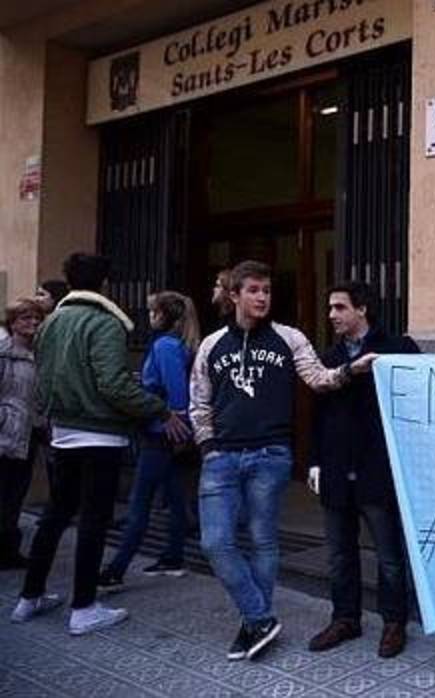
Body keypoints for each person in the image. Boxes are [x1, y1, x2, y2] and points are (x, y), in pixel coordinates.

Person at [189, 260, 378, 661]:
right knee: (215, 542)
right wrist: (208, 447)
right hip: (221, 456)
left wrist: (350, 370)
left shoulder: (288, 338)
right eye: (254, 290)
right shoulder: (211, 344)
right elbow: (199, 401)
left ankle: (254, 624)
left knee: (263, 540)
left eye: (267, 291)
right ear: (235, 294)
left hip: (269, 455)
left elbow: (317, 378)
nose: (262, 297)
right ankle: (259, 616)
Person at [11, 253, 190, 635]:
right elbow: (113, 384)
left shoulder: (51, 322)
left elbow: (43, 379)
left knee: (55, 515)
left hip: (62, 433)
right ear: (105, 283)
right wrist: (160, 410)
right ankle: (84, 606)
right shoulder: (104, 323)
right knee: (94, 519)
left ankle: (30, 596)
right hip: (99, 434)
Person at [306, 282, 419, 659]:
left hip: (377, 470)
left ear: (363, 309)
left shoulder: (398, 349)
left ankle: (393, 623)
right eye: (331, 308)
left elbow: (422, 399)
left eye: (339, 307)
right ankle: (345, 619)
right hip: (337, 471)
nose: (332, 315)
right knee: (339, 554)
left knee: (388, 555)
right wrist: (315, 461)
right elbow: (318, 415)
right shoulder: (329, 357)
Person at [98, 292, 201, 591]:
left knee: (140, 501)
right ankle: (173, 557)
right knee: (176, 498)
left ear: (165, 315)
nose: (149, 316)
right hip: (166, 432)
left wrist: (176, 420)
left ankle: (117, 568)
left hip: (161, 432)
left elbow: (177, 390)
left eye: (153, 311)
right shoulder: (175, 344)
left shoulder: (166, 345)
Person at [0, 298, 47, 569]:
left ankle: (8, 550)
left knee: (15, 496)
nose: (32, 323)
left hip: (28, 435)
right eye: (25, 318)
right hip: (6, 435)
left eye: (36, 319)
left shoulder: (40, 354)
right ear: (13, 323)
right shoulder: (4, 353)